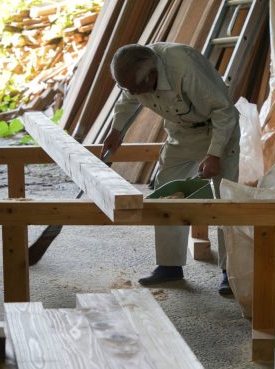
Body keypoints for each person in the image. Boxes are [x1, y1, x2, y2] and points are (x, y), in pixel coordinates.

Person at [101, 43, 240, 295]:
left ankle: (230, 272)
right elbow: (127, 99)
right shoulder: (136, 76)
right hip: (180, 133)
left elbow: (224, 111)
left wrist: (214, 154)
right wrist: (116, 129)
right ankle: (169, 266)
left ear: (152, 74)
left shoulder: (183, 67)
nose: (134, 92)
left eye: (138, 87)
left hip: (216, 130)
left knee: (225, 200)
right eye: (128, 87)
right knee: (165, 194)